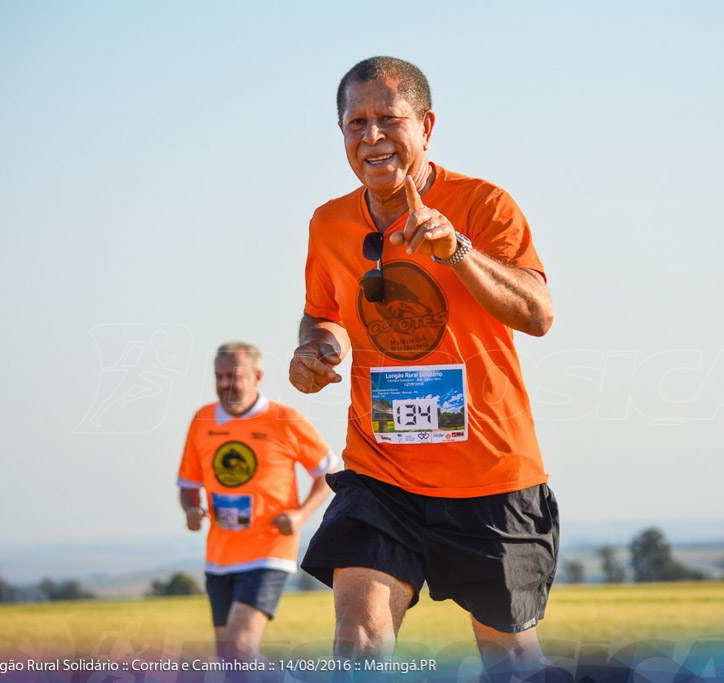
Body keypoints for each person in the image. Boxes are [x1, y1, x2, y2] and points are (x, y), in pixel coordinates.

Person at [290, 56, 557, 676]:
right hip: (382, 471)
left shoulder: (484, 203)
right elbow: (321, 312)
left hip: (491, 475)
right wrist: (318, 348)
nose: (372, 136)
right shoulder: (329, 223)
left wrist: (457, 251)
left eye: (389, 118)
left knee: (511, 659)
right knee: (358, 637)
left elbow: (538, 313)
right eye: (356, 122)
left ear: (426, 125)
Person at [178, 341, 339, 661]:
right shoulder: (202, 420)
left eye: (233, 376)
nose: (225, 384)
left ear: (257, 377)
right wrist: (191, 510)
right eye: (219, 376)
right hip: (219, 556)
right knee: (230, 657)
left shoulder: (285, 419)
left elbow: (328, 473)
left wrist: (299, 515)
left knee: (239, 649)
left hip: (269, 551)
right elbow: (188, 484)